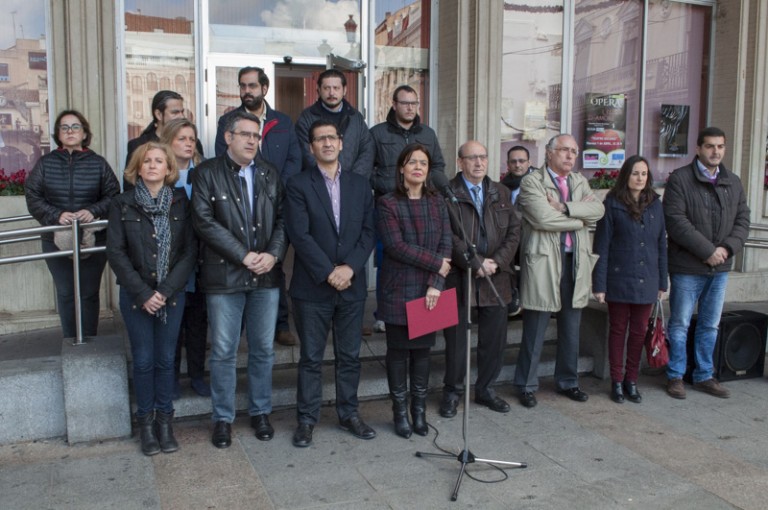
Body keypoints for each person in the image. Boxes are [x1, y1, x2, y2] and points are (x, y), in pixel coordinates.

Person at [191, 110, 287, 448]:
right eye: (244, 134)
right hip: (225, 276)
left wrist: (273, 255)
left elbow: (282, 220)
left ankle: (260, 412)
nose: (251, 140)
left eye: (255, 135)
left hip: (266, 276)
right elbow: (203, 221)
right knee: (223, 351)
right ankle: (223, 418)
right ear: (228, 137)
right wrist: (243, 255)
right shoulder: (206, 173)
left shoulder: (269, 173)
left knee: (262, 349)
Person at [285, 120, 376, 448]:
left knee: (349, 355)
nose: (326, 143)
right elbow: (300, 234)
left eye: (331, 138)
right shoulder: (297, 184)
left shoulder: (360, 184)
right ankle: (306, 419)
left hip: (351, 284)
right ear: (311, 147)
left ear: (341, 143)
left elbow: (368, 231)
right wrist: (328, 272)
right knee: (310, 357)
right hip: (313, 287)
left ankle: (349, 413)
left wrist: (349, 267)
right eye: (319, 139)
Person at [106, 142, 197, 456]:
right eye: (147, 161)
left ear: (169, 167)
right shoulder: (123, 204)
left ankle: (165, 423)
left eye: (160, 161)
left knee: (165, 359)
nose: (153, 165)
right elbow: (115, 253)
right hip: (136, 297)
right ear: (137, 167)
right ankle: (145, 425)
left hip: (171, 296)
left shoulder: (182, 203)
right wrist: (144, 293)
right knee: (143, 361)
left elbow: (189, 253)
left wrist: (165, 290)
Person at [514, 134, 604, 408]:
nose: (570, 156)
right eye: (564, 150)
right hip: (543, 261)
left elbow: (598, 209)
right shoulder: (532, 181)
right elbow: (542, 218)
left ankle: (568, 381)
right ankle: (526, 385)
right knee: (536, 326)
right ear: (549, 153)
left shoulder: (579, 181)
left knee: (571, 326)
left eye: (574, 152)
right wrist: (579, 221)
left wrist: (564, 208)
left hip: (575, 260)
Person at [214, 66, 302, 347]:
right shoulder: (228, 121)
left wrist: (276, 187)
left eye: (252, 85)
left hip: (276, 205)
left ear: (264, 88)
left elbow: (294, 160)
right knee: (244, 261)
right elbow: (222, 158)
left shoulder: (283, 122)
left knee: (274, 264)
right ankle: (237, 327)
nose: (246, 91)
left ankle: (281, 324)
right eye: (242, 86)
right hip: (240, 206)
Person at [663, 126, 750, 400]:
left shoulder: (733, 181)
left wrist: (726, 248)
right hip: (688, 267)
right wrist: (708, 251)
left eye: (720, 146)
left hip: (720, 268)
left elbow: (743, 221)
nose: (716, 151)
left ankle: (704, 375)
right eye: (710, 146)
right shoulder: (679, 179)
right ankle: (675, 375)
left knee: (710, 325)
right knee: (679, 324)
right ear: (698, 148)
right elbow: (677, 222)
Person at [439, 141, 520, 418]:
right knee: (457, 341)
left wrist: (497, 262)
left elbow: (514, 231)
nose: (478, 163)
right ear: (460, 162)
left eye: (483, 157)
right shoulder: (447, 191)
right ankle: (452, 392)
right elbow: (446, 235)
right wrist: (473, 262)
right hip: (460, 277)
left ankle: (486, 389)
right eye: (472, 158)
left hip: (496, 277)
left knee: (494, 341)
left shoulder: (501, 191)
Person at [376, 143, 452, 438]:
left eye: (423, 162)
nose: (418, 167)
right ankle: (399, 413)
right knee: (398, 353)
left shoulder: (438, 202)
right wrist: (437, 264)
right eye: (412, 162)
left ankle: (418, 412)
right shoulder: (387, 203)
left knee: (422, 354)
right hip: (398, 287)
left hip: (430, 289)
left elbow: (446, 243)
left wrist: (437, 283)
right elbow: (396, 246)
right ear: (402, 169)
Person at [25, 110, 120, 338]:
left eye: (75, 127)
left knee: (88, 293)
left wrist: (92, 211)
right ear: (58, 133)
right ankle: (70, 341)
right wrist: (56, 214)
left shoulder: (98, 163)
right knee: (66, 293)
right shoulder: (45, 164)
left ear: (84, 132)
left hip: (93, 239)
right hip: (55, 238)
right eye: (64, 127)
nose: (70, 131)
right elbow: (33, 196)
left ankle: (89, 341)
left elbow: (114, 196)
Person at [369, 84, 446, 334]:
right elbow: (367, 170)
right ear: (394, 104)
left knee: (423, 256)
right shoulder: (378, 134)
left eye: (414, 103)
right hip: (390, 206)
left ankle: (425, 311)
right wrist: (394, 187)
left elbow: (438, 167)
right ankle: (384, 313)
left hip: (423, 203)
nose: (410, 107)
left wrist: (425, 187)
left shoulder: (428, 134)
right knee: (388, 260)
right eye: (405, 103)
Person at [592, 155, 668, 404]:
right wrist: (599, 285)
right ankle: (616, 380)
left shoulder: (655, 204)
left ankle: (631, 380)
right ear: (626, 175)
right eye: (635, 173)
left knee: (638, 333)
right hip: (619, 278)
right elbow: (601, 246)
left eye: (644, 174)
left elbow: (661, 244)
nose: (640, 178)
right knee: (617, 331)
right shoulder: (612, 204)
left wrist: (662, 282)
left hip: (647, 280)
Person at [159, 119, 210, 398]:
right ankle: (171, 378)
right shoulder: (159, 174)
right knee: (172, 324)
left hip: (202, 261)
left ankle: (197, 376)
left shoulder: (204, 172)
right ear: (168, 141)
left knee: (198, 320)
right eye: (182, 139)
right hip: (171, 261)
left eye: (192, 139)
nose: (189, 143)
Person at [295, 69, 374, 179]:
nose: (331, 93)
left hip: (352, 185)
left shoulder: (356, 118)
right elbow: (305, 153)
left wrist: (352, 180)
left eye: (336, 88)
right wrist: (328, 178)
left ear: (344, 90)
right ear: (318, 89)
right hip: (318, 185)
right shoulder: (307, 118)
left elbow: (367, 151)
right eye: (327, 88)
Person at [125, 90, 204, 171]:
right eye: (175, 112)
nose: (181, 116)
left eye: (182, 112)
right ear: (158, 114)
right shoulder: (138, 145)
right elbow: (131, 181)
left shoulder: (194, 143)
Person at [500, 145, 535, 316]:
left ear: (529, 162)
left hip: (532, 236)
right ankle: (513, 302)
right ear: (507, 164)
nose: (518, 165)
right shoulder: (502, 186)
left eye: (522, 161)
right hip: (510, 237)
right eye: (513, 161)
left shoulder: (539, 182)